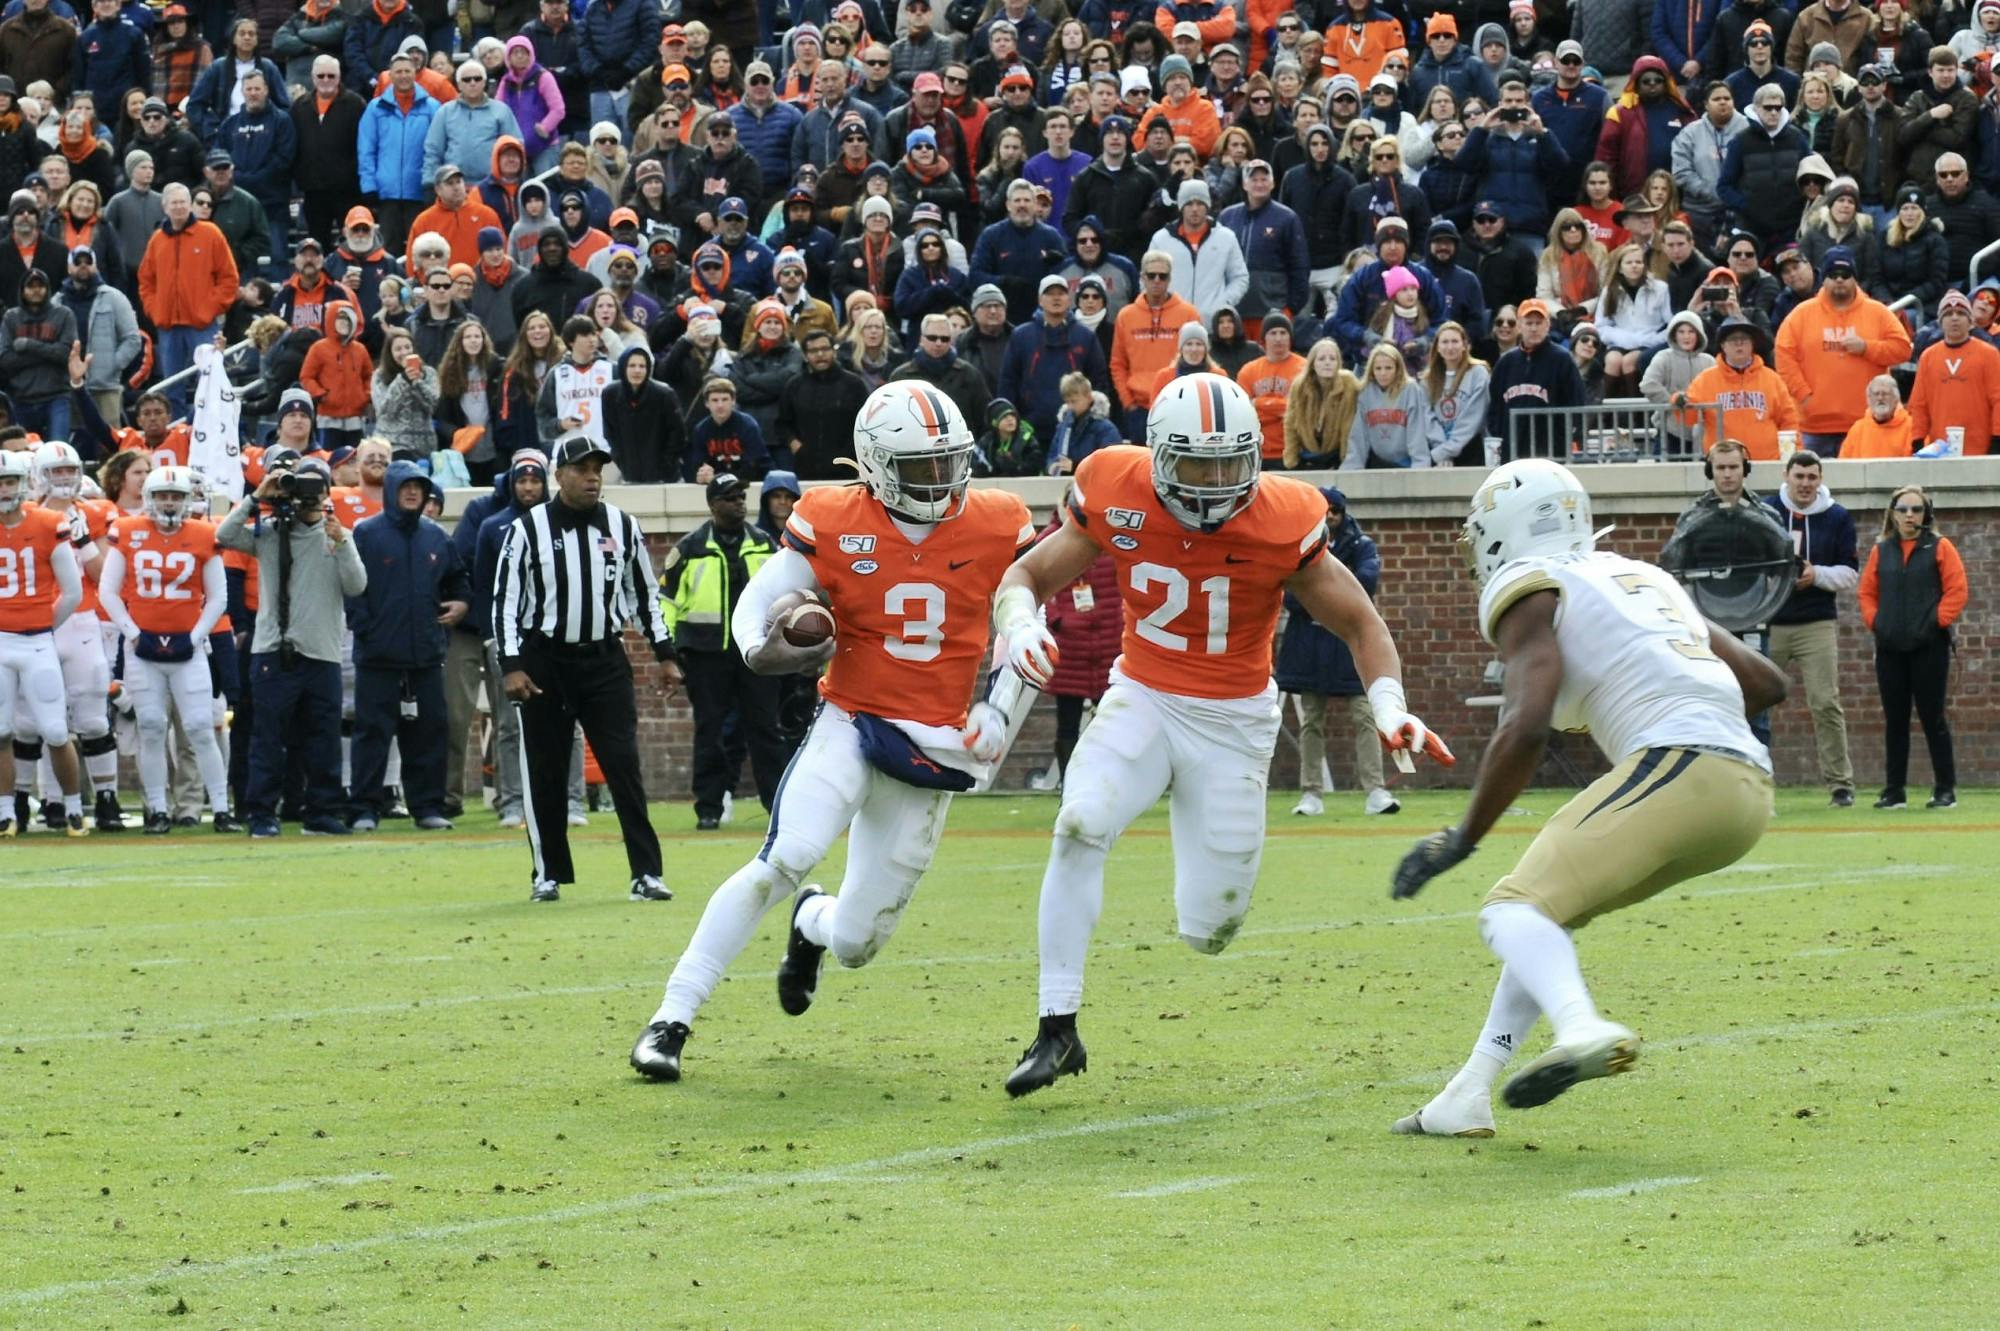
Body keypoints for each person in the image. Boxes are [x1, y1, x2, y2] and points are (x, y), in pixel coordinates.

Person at [989, 373, 1446, 1096]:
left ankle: (1191, 824)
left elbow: (1361, 622)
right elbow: (1028, 574)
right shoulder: (1114, 482)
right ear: (1161, 454)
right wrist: (1018, 625)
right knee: (1078, 824)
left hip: (1234, 722)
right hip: (1143, 693)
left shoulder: (1285, 514)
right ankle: (1056, 1026)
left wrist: (1389, 708)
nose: (1214, 482)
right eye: (1198, 464)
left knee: (1211, 931)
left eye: (1231, 463)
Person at [631, 381, 1034, 1083]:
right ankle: (672, 1016)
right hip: (849, 719)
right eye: (922, 467)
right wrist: (759, 644)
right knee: (783, 857)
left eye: (950, 462)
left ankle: (812, 923)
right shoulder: (834, 515)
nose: (942, 481)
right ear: (876, 466)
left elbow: (1025, 625)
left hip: (933, 746)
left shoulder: (997, 520)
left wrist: (1003, 707)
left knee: (855, 942)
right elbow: (763, 593)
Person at [1386, 458, 1787, 1138]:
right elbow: (1765, 680)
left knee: (1510, 908)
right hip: (1746, 792)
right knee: (1548, 915)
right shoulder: (1644, 577)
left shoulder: (1531, 583)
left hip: (1683, 765)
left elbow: (1525, 725)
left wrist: (1463, 836)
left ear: (1505, 529)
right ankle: (1468, 1092)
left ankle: (1581, 1026)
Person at [494, 434, 679, 902]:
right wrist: (512, 666)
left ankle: (646, 873)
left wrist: (666, 654)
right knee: (545, 770)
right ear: (559, 475)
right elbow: (505, 603)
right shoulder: (527, 529)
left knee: (623, 766)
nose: (592, 476)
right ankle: (547, 873)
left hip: (603, 660)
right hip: (545, 662)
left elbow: (643, 597)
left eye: (598, 468)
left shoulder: (622, 524)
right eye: (582, 468)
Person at [215, 455, 366, 838]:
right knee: (267, 737)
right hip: (272, 650)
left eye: (316, 489)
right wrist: (257, 496)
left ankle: (322, 812)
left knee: (324, 739)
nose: (308, 497)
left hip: (322, 652)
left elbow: (357, 585)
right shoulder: (269, 533)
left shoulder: (337, 536)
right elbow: (226, 536)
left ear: (329, 493)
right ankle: (262, 812)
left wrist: (340, 539)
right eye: (303, 488)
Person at [659, 472, 790, 832]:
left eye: (741, 496)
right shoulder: (689, 548)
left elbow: (789, 591)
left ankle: (776, 805)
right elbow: (667, 602)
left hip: (757, 652)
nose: (739, 503)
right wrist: (669, 651)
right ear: (713, 505)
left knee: (765, 729)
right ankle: (709, 807)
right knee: (709, 730)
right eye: (730, 498)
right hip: (705, 654)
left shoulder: (766, 544)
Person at [345, 461, 469, 832]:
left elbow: (458, 581)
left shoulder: (436, 537)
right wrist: (368, 630)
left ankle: (428, 807)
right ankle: (364, 808)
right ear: (391, 490)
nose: (413, 493)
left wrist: (462, 604)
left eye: (419, 487)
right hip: (378, 658)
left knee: (429, 732)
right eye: (406, 486)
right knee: (371, 734)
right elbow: (352, 589)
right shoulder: (366, 534)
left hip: (426, 657)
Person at [1276, 487, 1398, 818]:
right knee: (1311, 719)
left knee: (1365, 714)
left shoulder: (1361, 545)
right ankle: (1311, 792)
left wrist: (1320, 596)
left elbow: (1365, 585)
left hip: (1347, 642)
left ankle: (1376, 790)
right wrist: (1331, 598)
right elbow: (1288, 593)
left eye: (1335, 510)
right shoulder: (1299, 542)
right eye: (1324, 509)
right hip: (1309, 645)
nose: (1329, 516)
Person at [1764, 450, 1860, 807]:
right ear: (1786, 475)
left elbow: (1849, 573)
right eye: (1799, 476)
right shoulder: (1767, 510)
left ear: (1821, 479)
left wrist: (1815, 574)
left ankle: (1840, 784)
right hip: (1770, 620)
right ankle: (1754, 781)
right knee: (1756, 704)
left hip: (1816, 621)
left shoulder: (1836, 517)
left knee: (1825, 702)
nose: (1805, 484)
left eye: (1812, 477)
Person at [1860, 485, 1964, 811]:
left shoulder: (1940, 547)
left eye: (1916, 510)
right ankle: (1894, 791)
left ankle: (1945, 789)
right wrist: (1878, 623)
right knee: (1895, 720)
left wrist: (1934, 622)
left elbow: (1957, 590)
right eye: (1903, 509)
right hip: (1889, 647)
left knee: (1933, 718)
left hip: (1928, 647)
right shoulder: (1882, 550)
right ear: (1892, 513)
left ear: (1926, 514)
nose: (1909, 515)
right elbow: (1866, 593)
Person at [0, 449, 86, 838]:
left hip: (36, 643)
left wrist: (38, 626)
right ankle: (4, 812)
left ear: (24, 482)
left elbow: (72, 592)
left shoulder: (50, 522)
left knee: (55, 731)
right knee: (0, 731)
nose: (4, 489)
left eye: (10, 481)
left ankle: (72, 807)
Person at [1774, 244, 1911, 454]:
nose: (1839, 279)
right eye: (1833, 274)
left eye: (1845, 274)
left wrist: (1867, 347)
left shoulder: (1878, 312)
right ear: (1824, 279)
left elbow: (1902, 349)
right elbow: (1784, 356)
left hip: (1864, 424)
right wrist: (1804, 395)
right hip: (1813, 427)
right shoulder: (1801, 314)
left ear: (1854, 278)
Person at [1485, 298, 1583, 457]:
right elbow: (1494, 407)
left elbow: (1577, 404)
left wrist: (1566, 439)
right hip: (1512, 450)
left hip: (1552, 451)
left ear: (1548, 325)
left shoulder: (1562, 360)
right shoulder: (1506, 363)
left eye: (1539, 323)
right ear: (1519, 326)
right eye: (1529, 323)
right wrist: (1500, 436)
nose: (1534, 328)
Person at [1909, 288, 2000, 454]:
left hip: (1981, 448)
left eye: (1960, 313)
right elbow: (1919, 404)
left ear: (1970, 321)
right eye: (1948, 313)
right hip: (1940, 449)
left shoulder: (1989, 354)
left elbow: (1998, 399)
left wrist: (1997, 438)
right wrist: (1917, 439)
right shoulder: (1928, 357)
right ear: (1940, 322)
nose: (1955, 318)